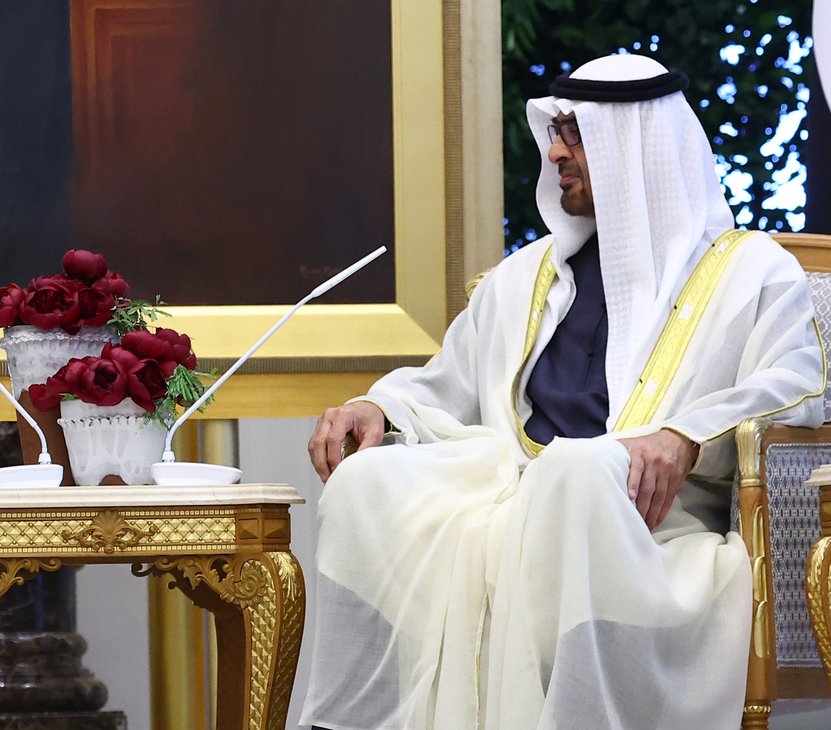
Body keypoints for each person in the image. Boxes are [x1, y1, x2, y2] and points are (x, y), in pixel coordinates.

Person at [300, 54, 826, 729]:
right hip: (510, 501)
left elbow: (796, 389)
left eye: (575, 134)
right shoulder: (523, 278)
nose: (554, 153)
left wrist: (686, 435)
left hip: (652, 534)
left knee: (576, 468)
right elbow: (444, 386)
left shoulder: (752, 273)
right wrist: (377, 407)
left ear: (636, 143)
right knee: (368, 481)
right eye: (554, 133)